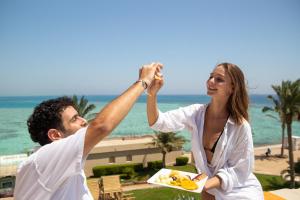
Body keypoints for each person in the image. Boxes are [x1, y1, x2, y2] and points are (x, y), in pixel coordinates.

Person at [13, 62, 163, 200]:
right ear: (55, 135)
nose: (84, 120)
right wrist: (143, 82)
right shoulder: (44, 160)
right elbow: (101, 126)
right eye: (74, 119)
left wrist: (151, 93)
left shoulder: (59, 162)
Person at [147, 63, 263, 200]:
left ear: (232, 87)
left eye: (219, 79)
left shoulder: (240, 126)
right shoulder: (196, 113)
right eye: (210, 76)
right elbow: (158, 122)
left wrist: (203, 184)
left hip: (241, 192)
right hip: (209, 188)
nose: (210, 81)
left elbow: (240, 171)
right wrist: (152, 94)